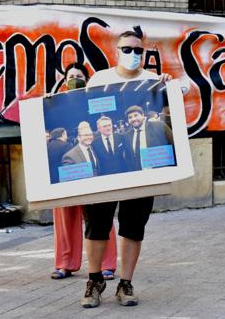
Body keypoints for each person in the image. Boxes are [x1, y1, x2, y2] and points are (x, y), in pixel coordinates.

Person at [81, 27, 171, 308]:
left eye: (138, 50)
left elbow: (182, 96)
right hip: (105, 173)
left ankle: (125, 283)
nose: (133, 54)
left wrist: (170, 87)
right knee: (97, 225)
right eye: (127, 49)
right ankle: (94, 280)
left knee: (133, 226)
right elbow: (81, 109)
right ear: (116, 52)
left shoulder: (154, 81)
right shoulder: (100, 79)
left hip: (141, 173)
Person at [50, 63, 117, 281]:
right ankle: (64, 264)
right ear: (64, 79)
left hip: (94, 165)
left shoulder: (96, 102)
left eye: (79, 76)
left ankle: (107, 264)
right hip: (67, 166)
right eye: (71, 76)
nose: (75, 79)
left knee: (101, 215)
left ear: (86, 79)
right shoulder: (53, 104)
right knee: (65, 216)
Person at [123, 105, 174, 171]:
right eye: (130, 117)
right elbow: (129, 158)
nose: (133, 119)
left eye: (136, 115)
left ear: (142, 115)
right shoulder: (127, 135)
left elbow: (173, 145)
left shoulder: (159, 126)